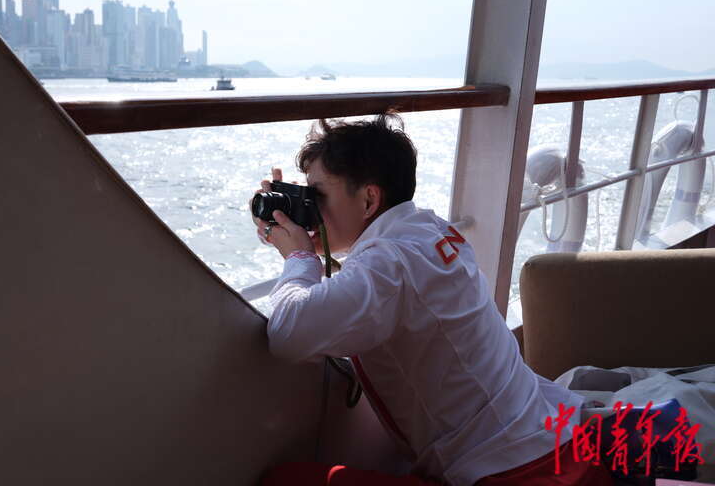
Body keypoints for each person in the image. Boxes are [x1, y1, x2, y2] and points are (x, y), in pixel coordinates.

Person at [250, 111, 614, 486]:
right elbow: (376, 281)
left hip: (516, 474)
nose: (311, 204)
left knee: (285, 480)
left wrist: (299, 258)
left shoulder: (389, 264)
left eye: (318, 193)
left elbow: (288, 335)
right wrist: (309, 238)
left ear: (369, 199)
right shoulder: (431, 231)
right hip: (559, 443)